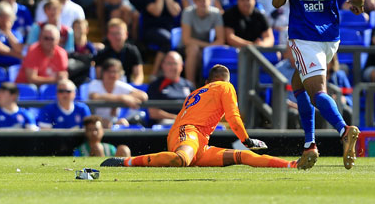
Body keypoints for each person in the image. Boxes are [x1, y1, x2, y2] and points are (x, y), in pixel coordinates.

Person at [272, 0, 364, 170]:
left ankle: (343, 130)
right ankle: (309, 145)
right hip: (331, 37)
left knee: (316, 91)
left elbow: (278, 0)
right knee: (297, 82)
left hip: (304, 35)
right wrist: (357, 5)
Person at [101, 65, 295, 168]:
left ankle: (291, 165)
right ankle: (126, 161)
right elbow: (234, 117)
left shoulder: (196, 92)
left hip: (194, 140)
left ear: (206, 81)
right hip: (190, 134)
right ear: (226, 81)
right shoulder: (225, 87)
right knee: (181, 160)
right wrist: (246, 139)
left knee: (242, 157)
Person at [141, 0, 183, 75]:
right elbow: (157, 11)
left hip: (169, 30)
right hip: (151, 29)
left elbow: (175, 12)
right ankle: (155, 73)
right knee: (168, 40)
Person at [87, 58, 148, 127]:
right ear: (103, 72)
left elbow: (143, 96)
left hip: (114, 122)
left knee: (124, 123)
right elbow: (95, 97)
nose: (112, 75)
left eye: (115, 72)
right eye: (109, 71)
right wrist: (122, 98)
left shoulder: (119, 84)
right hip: (95, 122)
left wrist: (123, 99)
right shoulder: (95, 84)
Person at [181, 0, 224, 82]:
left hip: (206, 48)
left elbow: (221, 40)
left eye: (204, 0)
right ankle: (190, 86)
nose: (202, 3)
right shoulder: (187, 12)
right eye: (199, 0)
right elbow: (186, 39)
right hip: (188, 48)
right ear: (195, 2)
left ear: (210, 0)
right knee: (193, 50)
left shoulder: (216, 13)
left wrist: (207, 49)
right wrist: (207, 47)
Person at [147, 51, 195, 124]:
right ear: (163, 65)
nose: (172, 67)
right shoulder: (155, 85)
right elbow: (153, 113)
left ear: (181, 66)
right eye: (169, 63)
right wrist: (176, 118)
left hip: (189, 123)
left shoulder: (189, 85)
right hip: (166, 123)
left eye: (175, 63)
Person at [94, 19, 144, 85]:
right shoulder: (102, 53)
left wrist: (134, 86)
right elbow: (99, 77)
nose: (116, 37)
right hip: (107, 89)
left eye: (118, 33)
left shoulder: (132, 51)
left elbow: (139, 75)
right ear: (108, 36)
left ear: (126, 34)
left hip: (127, 87)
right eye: (113, 34)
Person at [0, 2, 25, 67]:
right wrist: (19, 55)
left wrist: (7, 31)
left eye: (7, 16)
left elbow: (19, 48)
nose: (4, 19)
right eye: (1, 16)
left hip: (16, 66)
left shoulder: (16, 33)